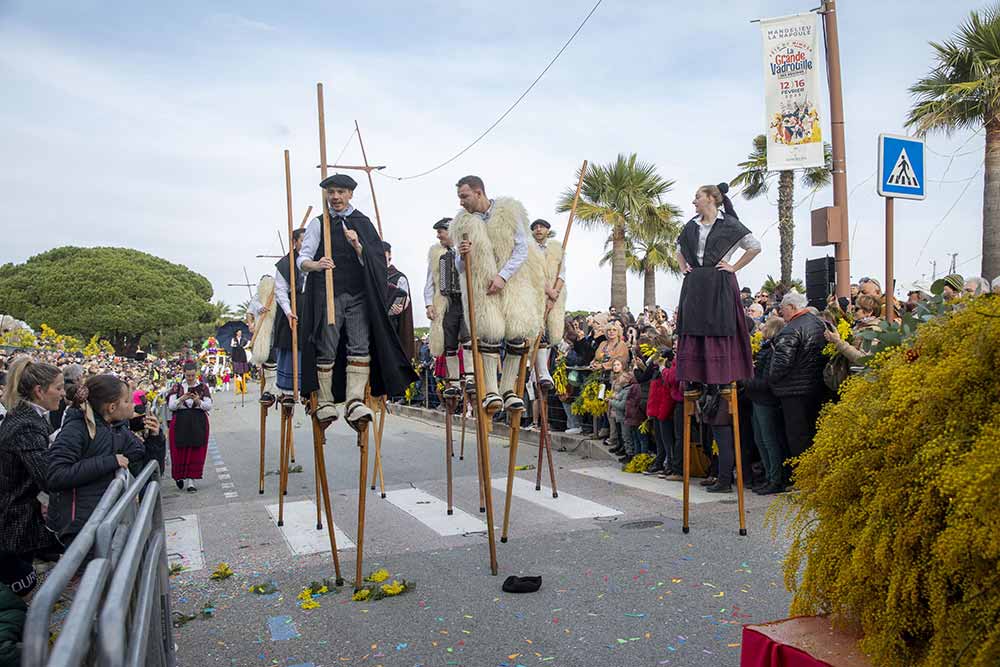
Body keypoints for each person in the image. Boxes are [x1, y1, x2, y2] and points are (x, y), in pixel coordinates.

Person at [297, 173, 417, 426]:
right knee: (327, 346)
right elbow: (302, 260)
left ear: (350, 194)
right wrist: (316, 264)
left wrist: (358, 246)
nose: (335, 197)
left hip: (359, 295)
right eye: (331, 192)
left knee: (360, 345)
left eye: (340, 192)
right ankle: (326, 401)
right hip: (329, 295)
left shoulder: (363, 222)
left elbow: (377, 261)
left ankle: (354, 401)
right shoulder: (319, 224)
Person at [674, 183, 761, 493]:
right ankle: (697, 378)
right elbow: (678, 249)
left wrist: (733, 267)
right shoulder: (690, 226)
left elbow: (754, 246)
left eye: (697, 196)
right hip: (696, 283)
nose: (693, 201)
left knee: (721, 326)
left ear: (712, 199)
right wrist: (684, 268)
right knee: (692, 328)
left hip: (720, 282)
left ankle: (722, 376)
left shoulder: (729, 224)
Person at [452, 175, 546, 413]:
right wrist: (462, 254)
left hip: (513, 283)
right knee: (489, 334)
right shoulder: (463, 223)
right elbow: (460, 267)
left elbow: (522, 248)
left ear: (478, 193)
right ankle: (491, 391)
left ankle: (508, 390)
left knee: (517, 333)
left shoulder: (509, 212)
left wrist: (503, 276)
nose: (461, 202)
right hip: (483, 289)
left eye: (464, 196)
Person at [46, 374, 164, 542]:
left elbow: (146, 466)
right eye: (127, 401)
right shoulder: (76, 428)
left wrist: (155, 438)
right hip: (80, 529)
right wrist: (110, 461)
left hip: (106, 520)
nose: (133, 405)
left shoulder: (115, 429)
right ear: (112, 407)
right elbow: (56, 474)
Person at [0, 358, 65, 588]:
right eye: (59, 388)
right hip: (13, 522)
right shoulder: (26, 425)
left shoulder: (29, 417)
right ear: (39, 391)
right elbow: (48, 476)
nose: (63, 394)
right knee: (18, 597)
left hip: (18, 519)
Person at [768, 291, 827, 473]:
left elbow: (781, 365)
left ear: (792, 307)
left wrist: (770, 380)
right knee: (813, 432)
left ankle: (803, 476)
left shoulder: (790, 330)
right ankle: (815, 475)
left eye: (783, 308)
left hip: (793, 391)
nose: (780, 312)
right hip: (817, 387)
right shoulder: (819, 323)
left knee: (797, 436)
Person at [424, 218, 467, 400]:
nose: (438, 236)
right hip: (449, 302)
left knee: (467, 338)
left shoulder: (466, 248)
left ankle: (470, 378)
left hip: (466, 301)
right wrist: (429, 304)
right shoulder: (437, 255)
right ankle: (454, 383)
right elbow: (430, 282)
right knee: (449, 341)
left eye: (441, 232)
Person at [746, 316, 786, 494]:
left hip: (766, 400)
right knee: (760, 440)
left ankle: (775, 479)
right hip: (757, 398)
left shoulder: (772, 349)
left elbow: (767, 381)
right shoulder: (764, 348)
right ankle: (769, 476)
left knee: (769, 440)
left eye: (766, 326)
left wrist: (746, 380)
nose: (762, 328)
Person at [530, 219, 567, 392]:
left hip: (553, 296)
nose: (538, 230)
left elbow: (562, 274)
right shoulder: (528, 249)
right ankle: (535, 372)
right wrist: (548, 291)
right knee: (535, 331)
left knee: (548, 333)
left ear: (547, 230)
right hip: (534, 295)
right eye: (535, 227)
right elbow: (532, 274)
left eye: (542, 227)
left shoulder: (557, 250)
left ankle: (543, 372)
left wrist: (554, 294)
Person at [270, 229, 305, 406]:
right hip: (291, 310)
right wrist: (288, 311)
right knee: (290, 344)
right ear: (294, 242)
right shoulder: (286, 264)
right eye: (302, 240)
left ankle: (309, 387)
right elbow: (280, 291)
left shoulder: (316, 259)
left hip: (310, 308)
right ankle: (288, 389)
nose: (306, 244)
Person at [167, 362, 212, 492]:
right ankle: (179, 476)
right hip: (180, 420)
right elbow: (171, 406)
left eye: (192, 375)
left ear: (196, 373)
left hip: (198, 420)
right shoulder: (177, 387)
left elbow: (209, 406)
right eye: (188, 376)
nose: (190, 378)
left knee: (195, 450)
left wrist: (198, 401)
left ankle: (191, 481)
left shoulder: (203, 387)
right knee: (179, 450)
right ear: (184, 374)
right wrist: (182, 398)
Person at [823, 293, 882, 364]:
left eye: (856, 309)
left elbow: (863, 359)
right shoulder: (859, 325)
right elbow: (843, 319)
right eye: (853, 308)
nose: (853, 311)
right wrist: (835, 307)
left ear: (869, 312)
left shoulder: (872, 330)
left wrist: (838, 342)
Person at [384, 241, 415, 362]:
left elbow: (404, 298)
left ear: (389, 255)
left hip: (392, 323)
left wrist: (399, 307)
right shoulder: (372, 274)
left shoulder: (398, 277)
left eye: (384, 253)